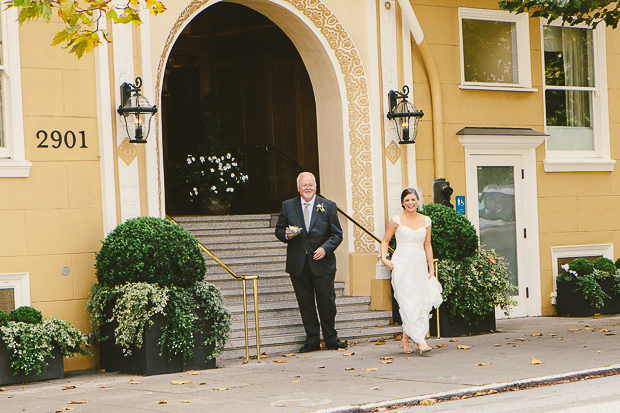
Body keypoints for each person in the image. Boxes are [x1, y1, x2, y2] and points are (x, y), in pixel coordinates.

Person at [275, 172, 347, 352]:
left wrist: (325, 248)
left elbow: (337, 234)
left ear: (316, 187)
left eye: (311, 185)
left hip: (323, 264)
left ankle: (331, 338)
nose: (308, 188)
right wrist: (286, 234)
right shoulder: (288, 206)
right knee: (305, 303)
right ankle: (312, 340)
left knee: (327, 302)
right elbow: (278, 230)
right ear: (298, 188)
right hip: (299, 264)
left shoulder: (328, 206)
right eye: (304, 185)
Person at [380, 188, 443, 354]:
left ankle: (406, 338)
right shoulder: (396, 220)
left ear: (417, 201)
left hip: (419, 264)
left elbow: (427, 245)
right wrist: (384, 258)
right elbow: (385, 240)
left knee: (419, 301)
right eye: (407, 200)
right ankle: (421, 341)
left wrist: (431, 267)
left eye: (413, 200)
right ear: (402, 202)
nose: (410, 203)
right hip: (401, 264)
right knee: (408, 301)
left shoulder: (426, 221)